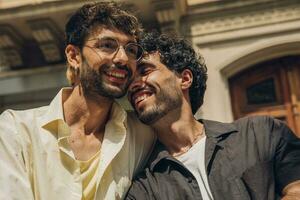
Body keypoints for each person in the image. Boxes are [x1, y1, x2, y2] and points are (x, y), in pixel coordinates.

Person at [0, 2, 156, 200]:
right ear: (74, 56)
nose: (123, 58)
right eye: (107, 45)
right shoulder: (16, 131)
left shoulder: (142, 134)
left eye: (131, 50)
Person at [125, 32, 300, 200]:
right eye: (129, 79)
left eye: (144, 71)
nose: (133, 85)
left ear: (185, 79)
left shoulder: (260, 133)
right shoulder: (143, 187)